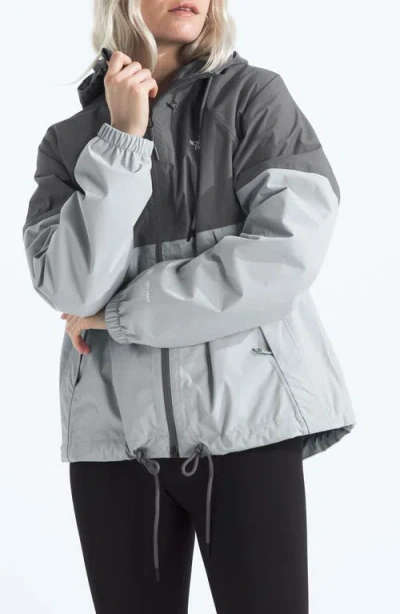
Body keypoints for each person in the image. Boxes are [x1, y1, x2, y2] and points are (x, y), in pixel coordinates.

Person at [22, 0, 357, 612]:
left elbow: (283, 256)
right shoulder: (70, 141)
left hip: (246, 427)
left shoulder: (253, 99)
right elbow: (71, 288)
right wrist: (122, 139)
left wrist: (121, 316)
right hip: (114, 442)